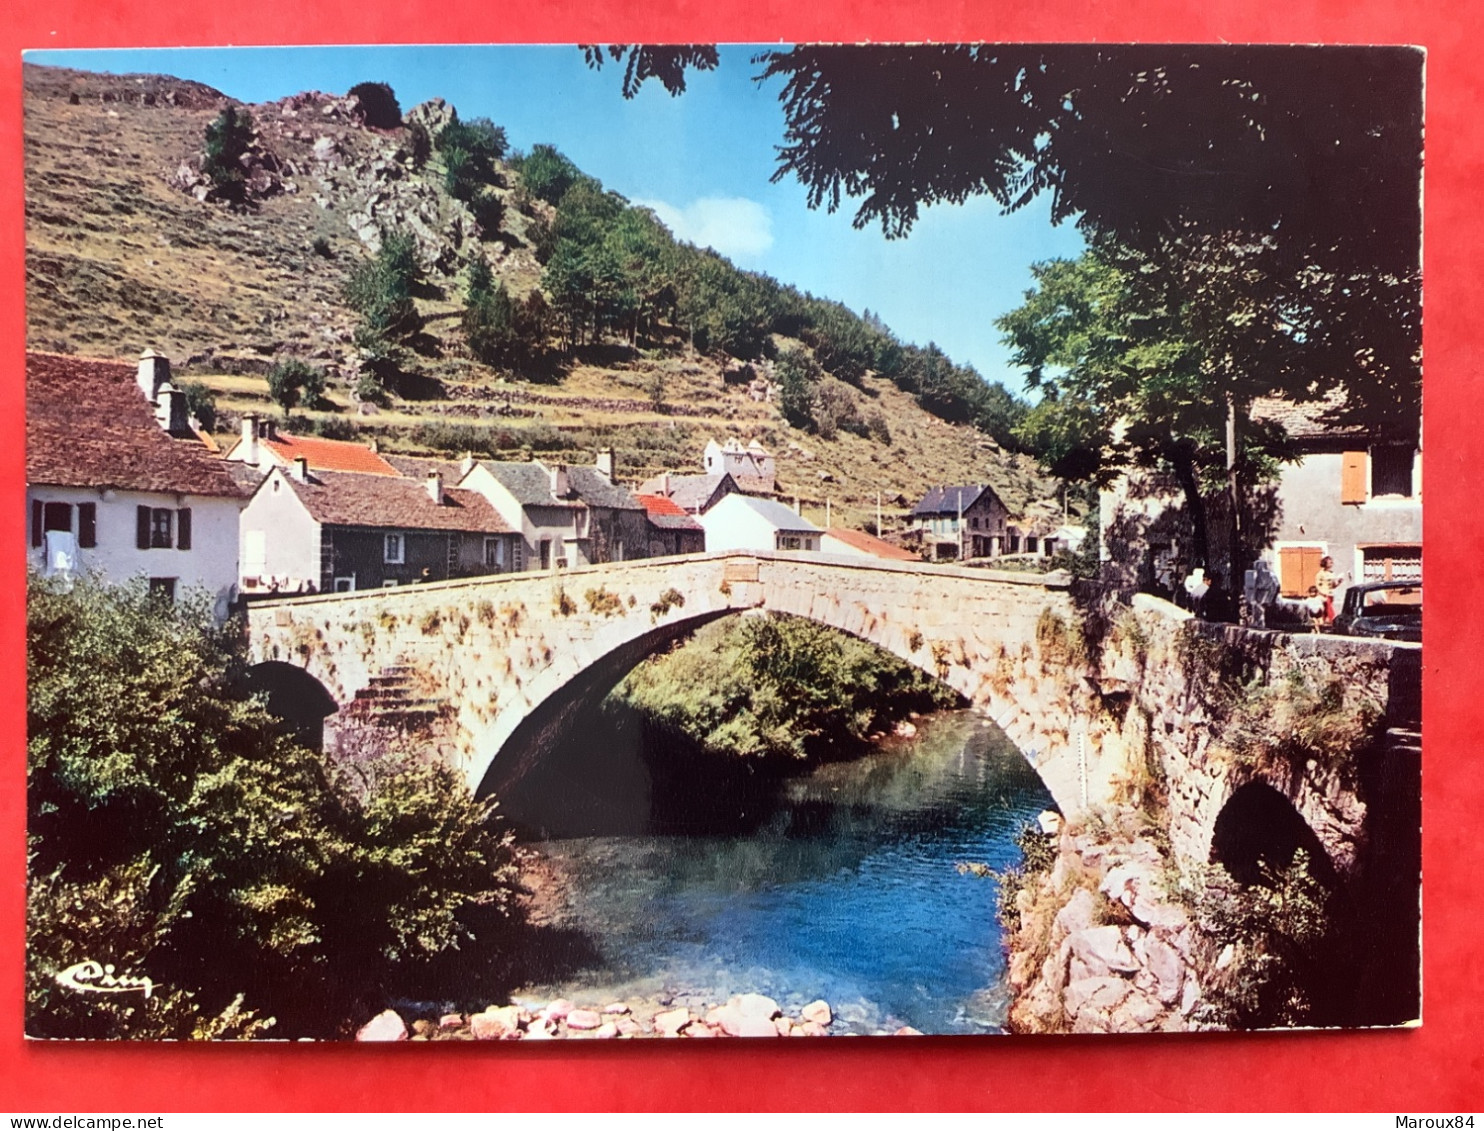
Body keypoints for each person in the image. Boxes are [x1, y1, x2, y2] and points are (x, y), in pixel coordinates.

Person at [1314, 556, 1346, 623]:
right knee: (1329, 609)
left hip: (1331, 593)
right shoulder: (1320, 574)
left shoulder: (1332, 573)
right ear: (1325, 563)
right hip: (1323, 594)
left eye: (1332, 563)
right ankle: (1334, 621)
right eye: (1330, 562)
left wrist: (1339, 582)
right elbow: (1317, 585)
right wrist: (1322, 593)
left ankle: (1322, 624)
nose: (1331, 564)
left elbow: (1333, 586)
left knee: (1325, 610)